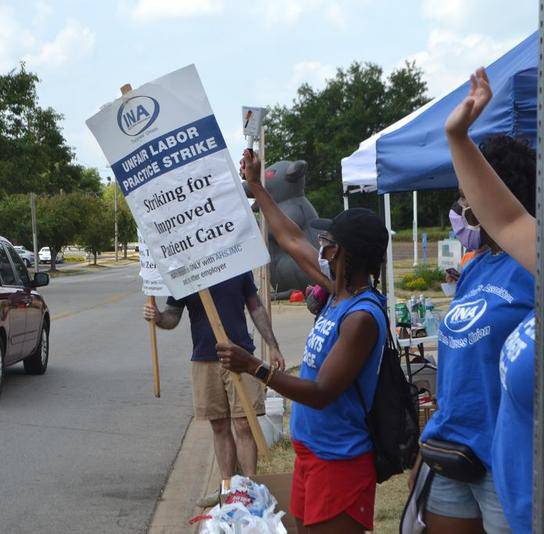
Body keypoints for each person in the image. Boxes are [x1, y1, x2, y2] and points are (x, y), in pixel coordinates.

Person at [217, 149, 389, 533]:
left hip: (340, 461)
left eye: (328, 242)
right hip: (312, 453)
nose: (321, 247)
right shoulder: (337, 291)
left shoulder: (361, 316)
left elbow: (321, 392)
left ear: (343, 252)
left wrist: (254, 366)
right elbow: (291, 237)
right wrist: (259, 188)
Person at [407, 69, 536, 533]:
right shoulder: (477, 265)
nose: (463, 208)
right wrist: (456, 134)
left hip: (506, 463)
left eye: (469, 197)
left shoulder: (528, 270)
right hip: (452, 449)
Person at [143, 272, 284, 505]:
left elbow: (256, 308)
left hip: (241, 356)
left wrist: (273, 345)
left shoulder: (236, 263)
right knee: (219, 425)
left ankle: (248, 493)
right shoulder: (184, 272)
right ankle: (227, 490)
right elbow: (173, 316)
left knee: (243, 424)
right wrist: (157, 317)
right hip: (204, 358)